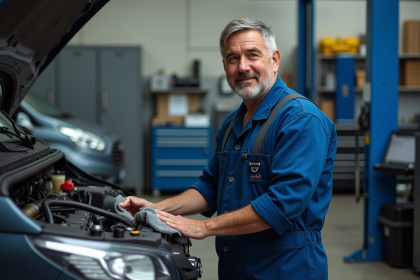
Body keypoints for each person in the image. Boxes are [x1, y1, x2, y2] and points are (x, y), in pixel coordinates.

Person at [120, 18, 337, 280]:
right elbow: (210, 187)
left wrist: (204, 227)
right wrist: (158, 208)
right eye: (233, 58)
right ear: (225, 67)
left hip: (286, 269)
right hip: (235, 267)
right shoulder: (232, 124)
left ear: (275, 59)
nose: (243, 66)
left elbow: (282, 204)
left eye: (252, 55)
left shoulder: (301, 120)